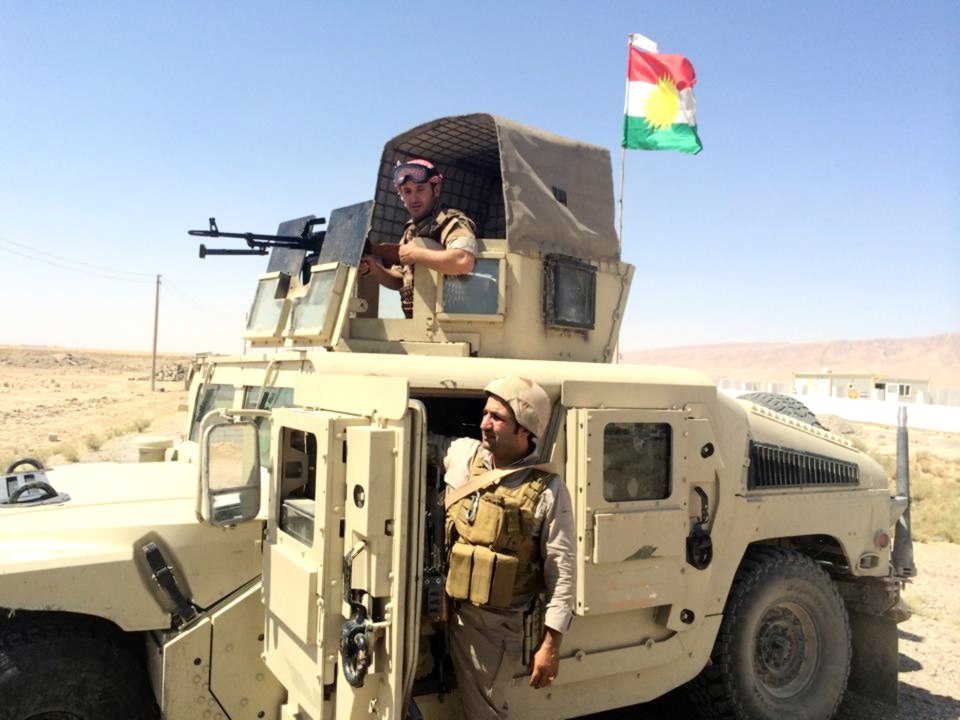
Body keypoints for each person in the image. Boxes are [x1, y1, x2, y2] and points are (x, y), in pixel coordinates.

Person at [441, 377, 576, 720]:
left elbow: (562, 571)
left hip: (493, 628)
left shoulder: (547, 491)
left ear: (525, 430)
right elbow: (420, 447)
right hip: (445, 609)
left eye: (497, 418)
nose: (484, 424)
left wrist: (551, 645)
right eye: (485, 413)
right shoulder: (465, 455)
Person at [360, 158, 478, 318]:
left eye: (420, 189)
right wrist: (374, 269)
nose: (414, 198)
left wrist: (415, 254)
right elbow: (401, 280)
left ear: (436, 190)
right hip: (418, 322)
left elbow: (463, 261)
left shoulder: (449, 222)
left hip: (451, 322)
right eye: (407, 191)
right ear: (401, 195)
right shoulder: (411, 231)